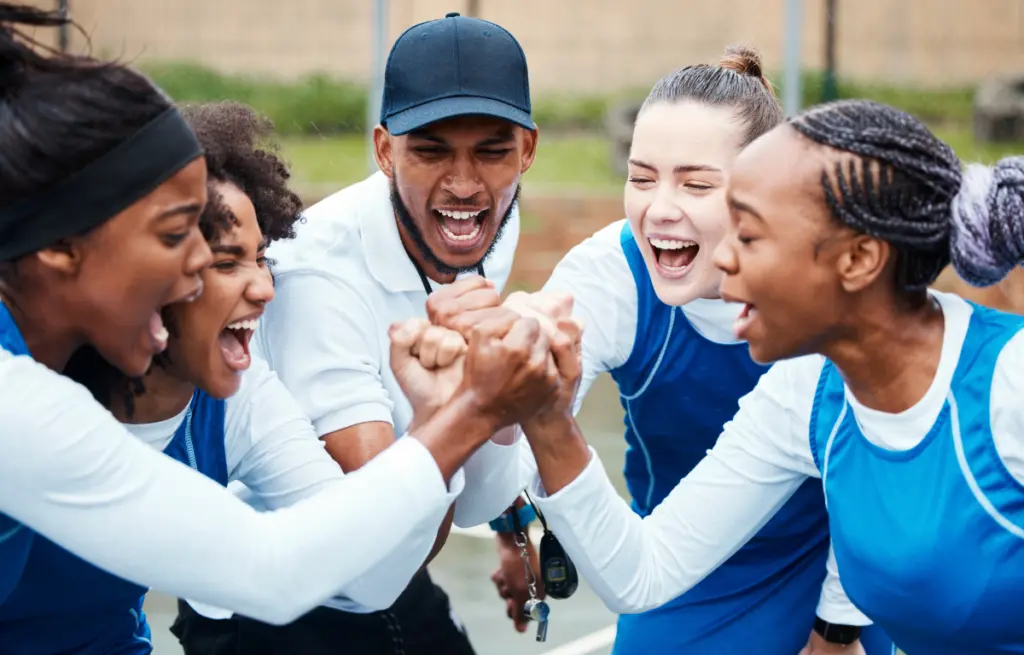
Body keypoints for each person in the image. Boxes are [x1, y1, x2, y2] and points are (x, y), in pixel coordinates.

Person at [0, 2, 561, 635]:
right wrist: (468, 416)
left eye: (255, 255)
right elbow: (274, 570)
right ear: (62, 245)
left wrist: (449, 425)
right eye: (177, 234)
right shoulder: (19, 401)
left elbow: (371, 580)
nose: (264, 285)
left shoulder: (235, 396)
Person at [514, 98, 1024, 655]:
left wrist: (834, 630)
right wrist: (548, 420)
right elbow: (643, 571)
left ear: (857, 260)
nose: (724, 258)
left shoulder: (1007, 384)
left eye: (750, 236)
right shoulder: (803, 393)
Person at [490, 48, 892, 654]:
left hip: (841, 564)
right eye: (641, 177)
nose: (660, 208)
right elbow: (514, 447)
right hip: (678, 567)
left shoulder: (827, 286)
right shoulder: (607, 275)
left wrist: (836, 631)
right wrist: (513, 516)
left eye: (697, 183)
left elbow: (877, 478)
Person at [171, 11, 538, 655]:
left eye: (491, 150)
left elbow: (460, 503)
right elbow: (366, 555)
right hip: (274, 605)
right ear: (383, 150)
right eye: (429, 150)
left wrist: (514, 512)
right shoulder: (315, 283)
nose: (463, 183)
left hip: (394, 569)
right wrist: (462, 412)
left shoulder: (484, 224)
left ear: (526, 151)